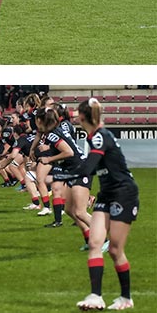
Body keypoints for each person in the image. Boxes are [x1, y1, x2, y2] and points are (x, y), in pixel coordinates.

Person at [63, 98, 139, 311]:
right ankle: (96, 296)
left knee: (115, 250)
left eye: (78, 114)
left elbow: (88, 168)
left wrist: (59, 173)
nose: (76, 117)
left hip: (124, 193)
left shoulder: (100, 137)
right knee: (96, 243)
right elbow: (97, 169)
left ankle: (126, 297)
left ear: (83, 117)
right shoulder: (94, 137)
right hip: (106, 193)